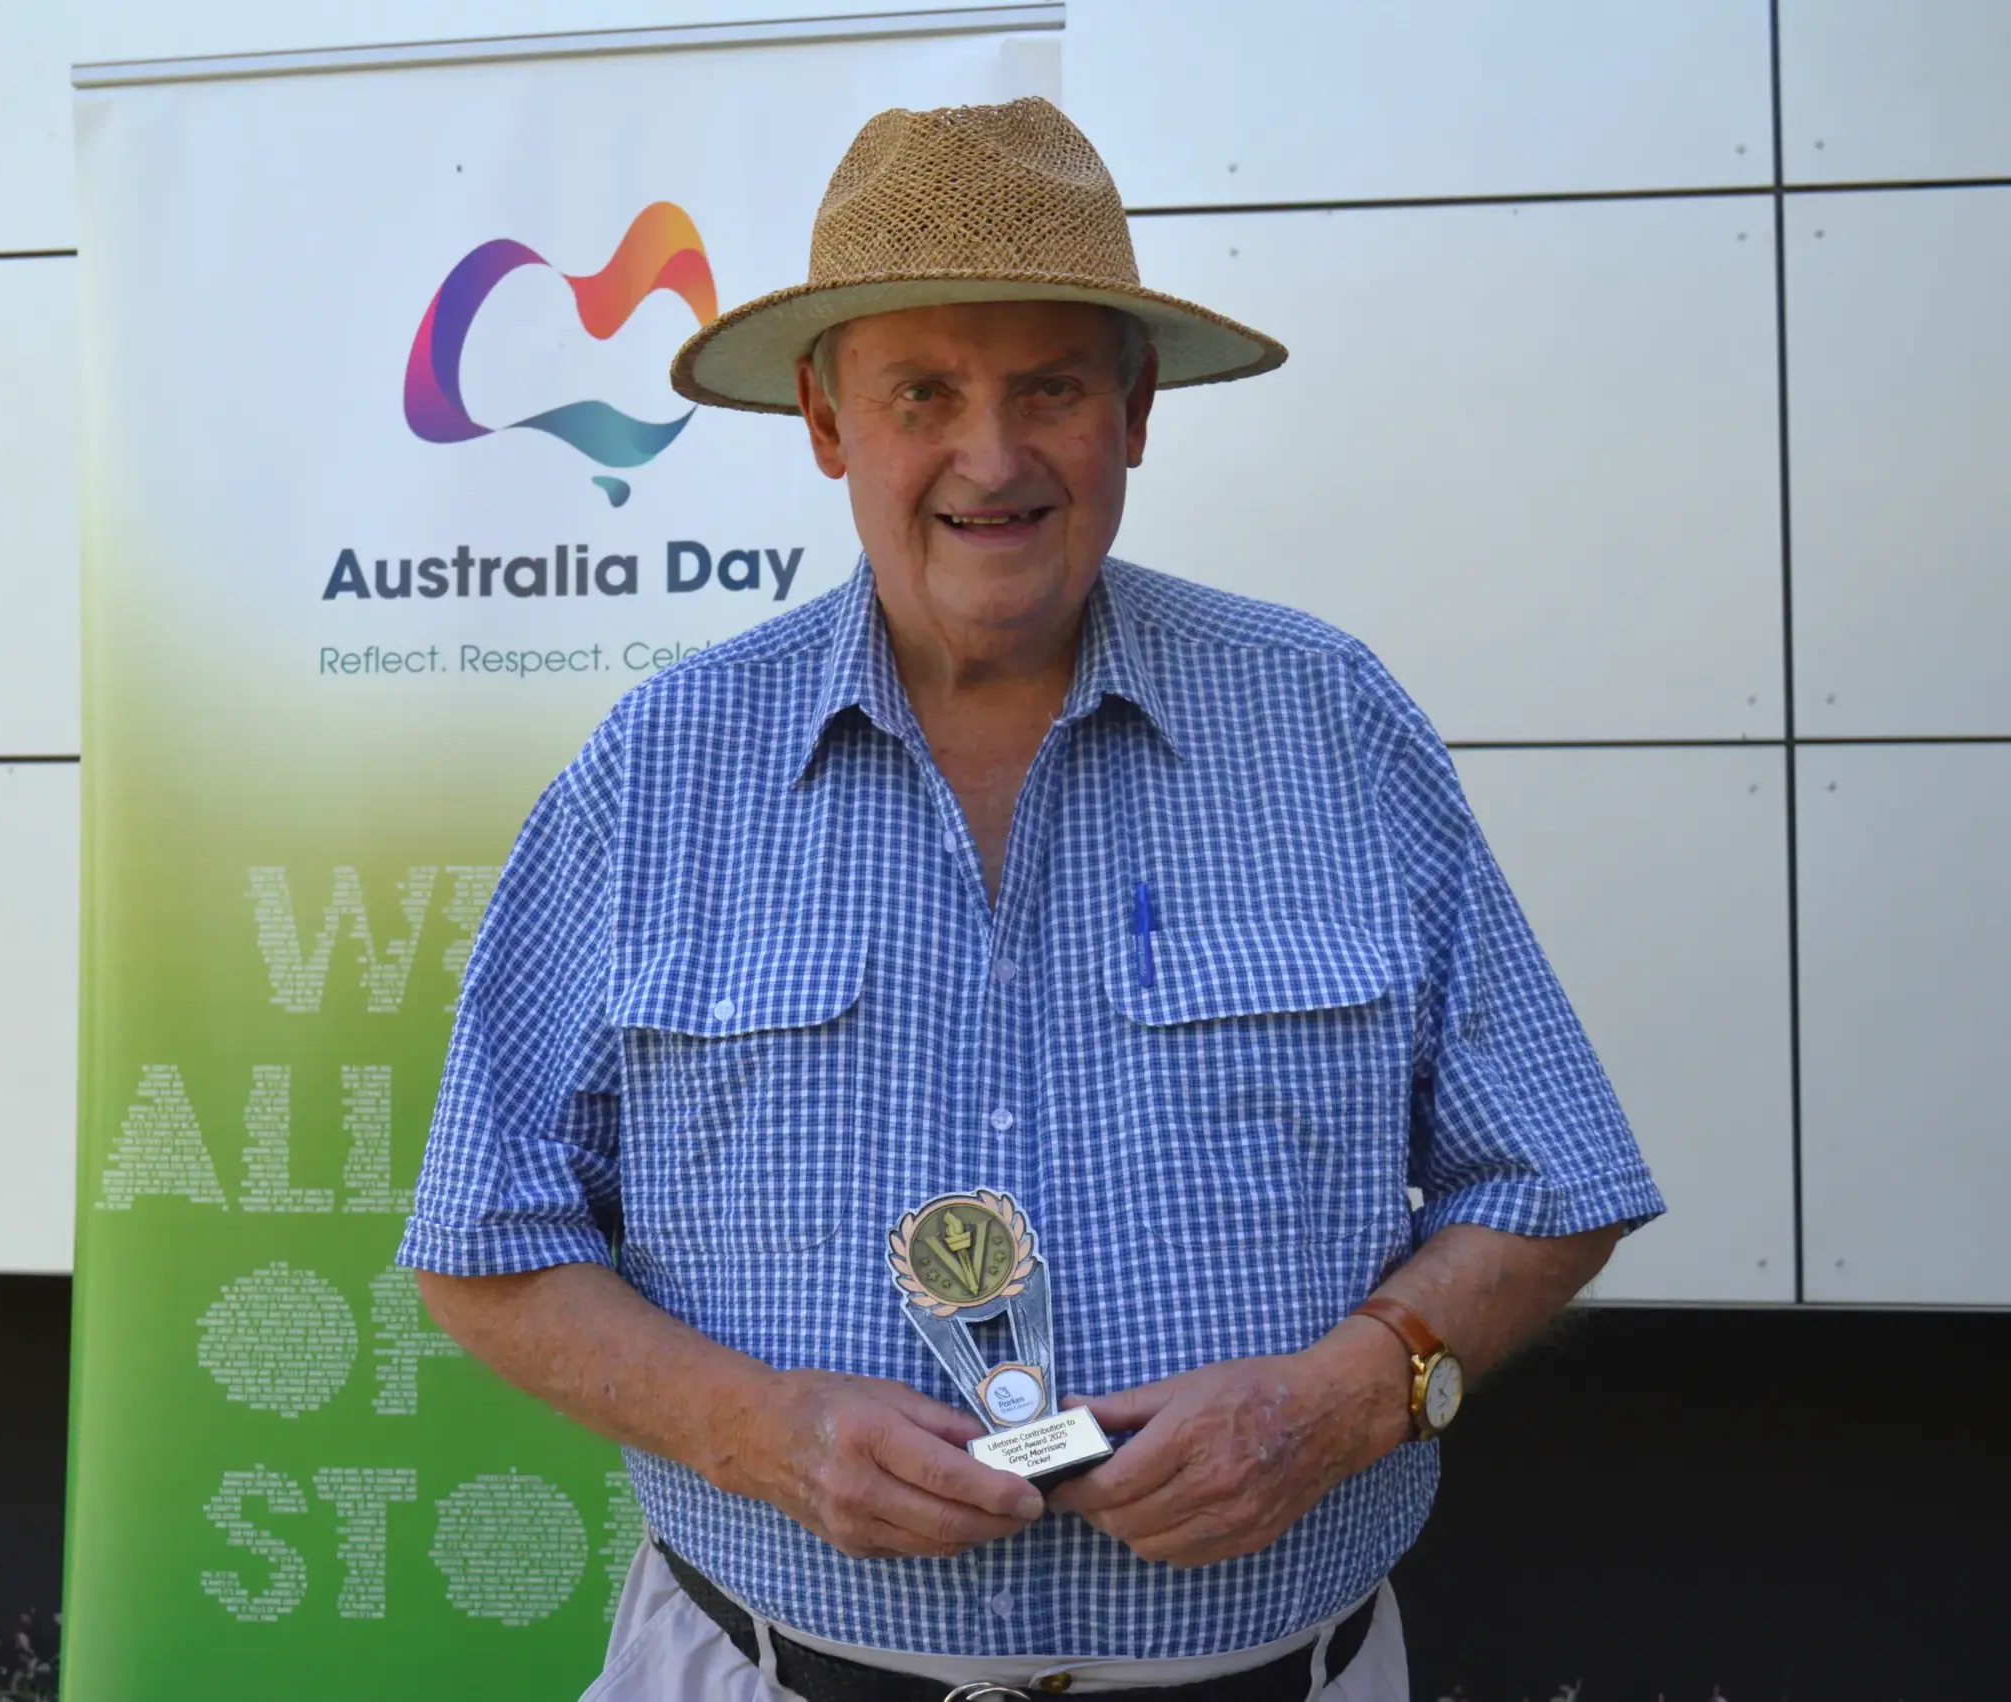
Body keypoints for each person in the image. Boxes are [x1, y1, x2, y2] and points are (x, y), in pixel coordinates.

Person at [398, 97, 1662, 1702]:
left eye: (1049, 387)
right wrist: (764, 1433)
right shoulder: (658, 772)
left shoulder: (1328, 725)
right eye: (923, 389)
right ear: (824, 418)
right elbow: (486, 1238)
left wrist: (1347, 1400)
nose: (989, 460)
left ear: (1133, 411)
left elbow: (1553, 1174)